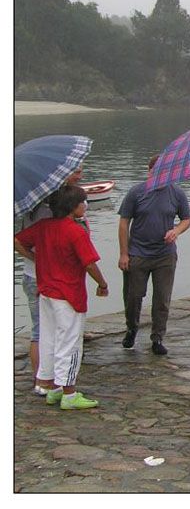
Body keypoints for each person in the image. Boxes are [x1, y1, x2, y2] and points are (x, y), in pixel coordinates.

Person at [14, 185, 109, 410]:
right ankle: (69, 392)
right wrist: (102, 284)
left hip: (46, 292)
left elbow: (16, 241)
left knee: (49, 339)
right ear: (73, 207)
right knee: (70, 342)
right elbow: (89, 263)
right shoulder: (75, 231)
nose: (84, 205)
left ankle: (51, 386)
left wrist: (35, 258)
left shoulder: (43, 227)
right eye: (82, 202)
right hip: (69, 294)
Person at [16, 165, 86, 396]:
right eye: (75, 171)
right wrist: (37, 259)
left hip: (36, 274)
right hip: (49, 278)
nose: (79, 175)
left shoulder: (30, 204)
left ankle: (45, 381)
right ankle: (53, 383)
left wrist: (34, 258)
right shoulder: (53, 212)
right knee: (52, 332)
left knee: (43, 331)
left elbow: (17, 240)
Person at [118, 155, 190, 355]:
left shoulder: (177, 193)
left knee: (162, 298)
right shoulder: (136, 193)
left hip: (165, 255)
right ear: (149, 171)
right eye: (155, 171)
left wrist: (176, 231)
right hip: (138, 253)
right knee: (133, 296)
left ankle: (157, 337)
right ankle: (131, 329)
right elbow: (124, 222)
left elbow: (186, 219)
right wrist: (124, 253)